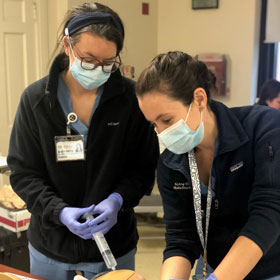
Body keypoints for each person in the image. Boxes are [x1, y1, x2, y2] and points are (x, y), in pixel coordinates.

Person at [7, 2, 159, 280]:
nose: (97, 70)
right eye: (88, 60)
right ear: (67, 45)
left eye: (108, 63)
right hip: (51, 248)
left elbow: (143, 167)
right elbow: (24, 173)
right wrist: (59, 211)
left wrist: (117, 199)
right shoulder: (37, 101)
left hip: (115, 246)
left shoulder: (130, 100)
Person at [135, 51, 280, 280]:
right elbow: (181, 236)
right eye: (153, 124)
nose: (161, 133)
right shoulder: (171, 163)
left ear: (199, 99)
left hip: (269, 268)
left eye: (167, 120)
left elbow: (269, 213)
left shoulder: (264, 127)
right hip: (213, 266)